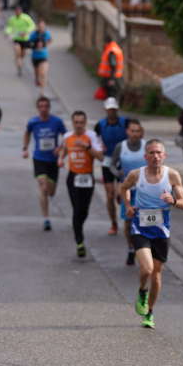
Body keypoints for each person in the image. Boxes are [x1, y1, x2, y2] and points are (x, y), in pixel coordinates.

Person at [118, 140, 183, 328]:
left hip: (161, 231)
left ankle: (149, 312)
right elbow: (123, 188)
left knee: (157, 274)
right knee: (147, 269)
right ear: (145, 156)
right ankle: (142, 291)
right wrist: (128, 206)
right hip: (140, 228)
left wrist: (172, 200)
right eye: (151, 153)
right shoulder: (136, 175)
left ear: (164, 155)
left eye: (158, 152)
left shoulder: (172, 175)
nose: (155, 156)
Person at [58, 111, 104, 258]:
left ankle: (78, 228)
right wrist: (60, 158)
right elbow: (64, 149)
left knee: (84, 211)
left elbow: (101, 157)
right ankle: (79, 241)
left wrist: (87, 147)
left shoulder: (91, 136)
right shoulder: (67, 137)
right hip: (73, 177)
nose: (78, 125)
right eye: (76, 122)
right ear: (72, 123)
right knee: (77, 209)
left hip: (87, 177)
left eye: (81, 122)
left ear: (85, 123)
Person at [23, 96, 67, 231]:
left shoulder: (57, 122)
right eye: (41, 106)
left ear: (49, 108)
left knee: (51, 190)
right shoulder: (33, 122)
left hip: (53, 161)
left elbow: (67, 137)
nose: (43, 109)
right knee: (43, 187)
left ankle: (50, 194)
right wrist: (25, 148)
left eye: (46, 106)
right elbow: (27, 133)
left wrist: (60, 149)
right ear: (37, 108)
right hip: (39, 159)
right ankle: (46, 219)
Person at [110, 119, 146, 265]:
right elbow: (111, 164)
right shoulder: (121, 146)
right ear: (127, 132)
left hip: (145, 191)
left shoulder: (147, 146)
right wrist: (118, 174)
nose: (135, 134)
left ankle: (143, 250)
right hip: (128, 191)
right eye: (132, 131)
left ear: (141, 132)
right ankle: (131, 249)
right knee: (128, 223)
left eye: (138, 131)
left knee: (145, 221)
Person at [93, 97, 127, 237]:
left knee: (120, 194)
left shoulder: (125, 122)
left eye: (113, 109)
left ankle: (122, 204)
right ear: (105, 110)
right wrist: (99, 149)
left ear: (117, 109)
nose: (111, 112)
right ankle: (113, 223)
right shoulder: (100, 125)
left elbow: (134, 134)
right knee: (110, 195)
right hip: (107, 162)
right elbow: (94, 140)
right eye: (109, 109)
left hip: (122, 161)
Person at [4, 5, 35, 76]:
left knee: (22, 54)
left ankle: (19, 61)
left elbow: (32, 26)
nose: (17, 12)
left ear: (21, 11)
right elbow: (9, 27)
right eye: (16, 11)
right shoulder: (12, 19)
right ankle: (19, 67)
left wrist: (26, 32)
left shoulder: (26, 18)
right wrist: (7, 32)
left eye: (19, 11)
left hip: (25, 39)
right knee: (17, 53)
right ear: (15, 12)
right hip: (16, 39)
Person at [97, 36, 124, 101]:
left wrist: (111, 79)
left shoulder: (111, 51)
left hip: (111, 77)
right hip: (115, 76)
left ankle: (112, 108)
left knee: (111, 95)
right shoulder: (115, 48)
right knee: (112, 95)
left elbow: (113, 65)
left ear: (106, 42)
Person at [28, 19, 52, 92]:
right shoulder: (33, 34)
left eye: (43, 26)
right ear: (37, 26)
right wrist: (35, 47)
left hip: (44, 57)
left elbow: (50, 40)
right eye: (40, 26)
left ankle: (42, 92)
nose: (41, 27)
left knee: (43, 74)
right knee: (37, 74)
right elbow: (29, 43)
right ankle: (37, 79)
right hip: (35, 57)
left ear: (44, 26)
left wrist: (45, 45)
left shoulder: (47, 33)